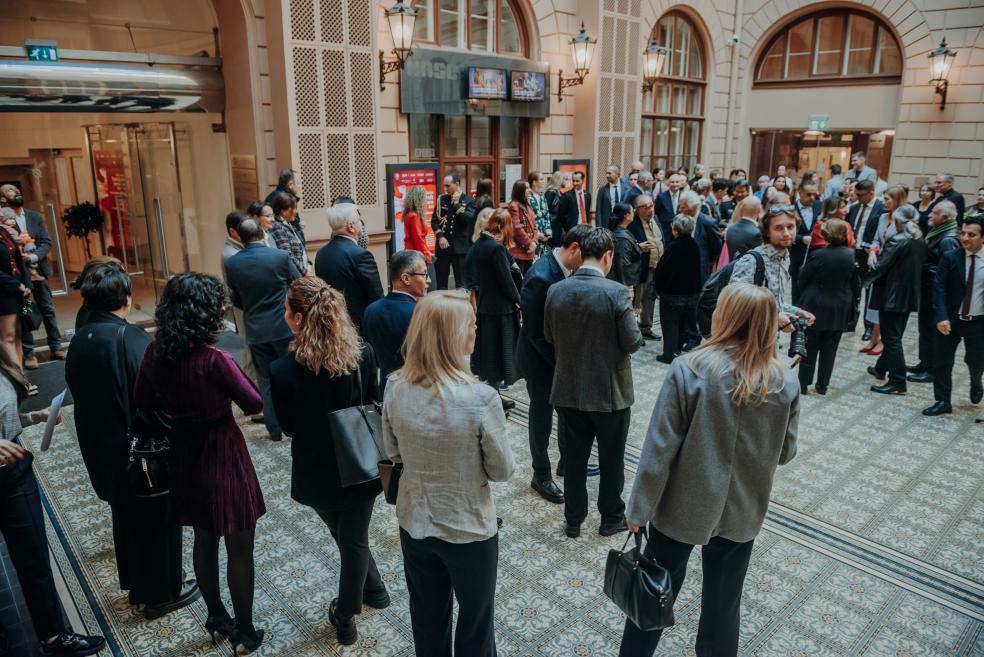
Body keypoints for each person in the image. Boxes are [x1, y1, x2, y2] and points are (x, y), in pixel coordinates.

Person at [619, 283, 798, 657]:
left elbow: (659, 449)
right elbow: (785, 452)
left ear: (724, 316)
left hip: (682, 507)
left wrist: (638, 509)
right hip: (744, 510)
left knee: (653, 591)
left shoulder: (690, 369)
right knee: (723, 604)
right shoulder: (785, 380)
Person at [134, 273, 266, 654]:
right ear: (205, 313)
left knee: (204, 539)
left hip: (184, 452)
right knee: (239, 546)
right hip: (222, 449)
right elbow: (254, 403)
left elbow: (143, 401)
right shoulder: (215, 360)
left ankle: (216, 616)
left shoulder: (154, 352)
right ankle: (244, 632)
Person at [383, 290, 515, 657]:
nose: (477, 329)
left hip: (415, 519)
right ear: (457, 335)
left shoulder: (395, 386)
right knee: (475, 623)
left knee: (427, 618)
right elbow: (502, 470)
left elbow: (392, 452)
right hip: (469, 526)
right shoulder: (481, 398)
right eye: (472, 324)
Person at [64, 264, 198, 620]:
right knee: (157, 520)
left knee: (125, 517)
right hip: (139, 449)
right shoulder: (130, 338)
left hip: (101, 445)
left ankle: (138, 585)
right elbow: (156, 395)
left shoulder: (80, 335)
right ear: (125, 297)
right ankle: (161, 593)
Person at [270, 278, 390, 646]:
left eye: (287, 310)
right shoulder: (363, 355)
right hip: (362, 464)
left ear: (298, 318)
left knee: (348, 538)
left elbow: (288, 427)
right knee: (350, 537)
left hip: (316, 470)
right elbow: (374, 402)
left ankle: (345, 614)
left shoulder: (282, 371)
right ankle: (375, 588)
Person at [0, 349, 107, 657]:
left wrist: (36, 416)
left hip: (14, 473)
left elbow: (6, 415)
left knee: (33, 556)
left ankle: (54, 636)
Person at [545, 228, 643, 538]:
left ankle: (573, 520)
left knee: (574, 459)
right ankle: (610, 517)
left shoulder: (556, 290)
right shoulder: (616, 292)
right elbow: (632, 343)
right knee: (612, 460)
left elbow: (549, 336)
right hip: (610, 391)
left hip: (568, 388)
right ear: (608, 256)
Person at [517, 225, 592, 504]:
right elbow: (536, 333)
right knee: (541, 419)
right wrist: (563, 361)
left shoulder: (563, 269)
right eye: (586, 257)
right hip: (539, 362)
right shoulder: (541, 276)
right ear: (574, 249)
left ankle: (566, 462)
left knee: (566, 411)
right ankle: (541, 474)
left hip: (557, 359)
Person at [225, 218, 301, 441]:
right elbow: (298, 285)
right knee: (293, 377)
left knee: (266, 381)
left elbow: (236, 298)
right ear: (262, 234)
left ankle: (274, 430)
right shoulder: (279, 257)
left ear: (240, 237)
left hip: (256, 330)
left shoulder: (233, 263)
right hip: (283, 326)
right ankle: (296, 425)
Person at [923, 215, 984, 417]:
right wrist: (941, 316)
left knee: (976, 360)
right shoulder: (950, 257)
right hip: (949, 320)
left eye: (971, 234)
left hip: (978, 322)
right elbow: (938, 288)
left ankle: (976, 380)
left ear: (982, 238)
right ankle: (942, 401)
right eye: (963, 233)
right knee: (942, 361)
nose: (965, 238)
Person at [0, 185, 66, 369]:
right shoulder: (2, 222)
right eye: (10, 191)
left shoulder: (34, 216)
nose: (16, 192)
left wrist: (34, 256)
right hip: (19, 279)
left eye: (17, 189)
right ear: (3, 199)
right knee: (25, 313)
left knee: (47, 309)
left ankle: (56, 346)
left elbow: (46, 241)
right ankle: (30, 354)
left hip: (38, 274)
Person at [864, 205, 927, 394]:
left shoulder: (897, 240)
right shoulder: (919, 240)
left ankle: (898, 381)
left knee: (892, 339)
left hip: (891, 296)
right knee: (894, 336)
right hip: (908, 296)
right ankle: (881, 368)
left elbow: (880, 267)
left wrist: (863, 280)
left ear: (898, 222)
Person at [729, 205, 816, 332]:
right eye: (779, 228)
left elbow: (774, 303)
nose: (786, 233)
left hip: (771, 341)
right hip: (748, 343)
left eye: (790, 227)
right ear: (767, 232)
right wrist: (774, 318)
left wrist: (797, 311)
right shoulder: (752, 261)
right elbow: (735, 305)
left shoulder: (785, 258)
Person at [797, 219, 859, 394]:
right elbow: (855, 283)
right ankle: (823, 385)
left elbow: (803, 278)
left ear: (825, 234)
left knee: (810, 345)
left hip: (815, 305)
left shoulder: (818, 255)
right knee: (830, 348)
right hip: (839, 307)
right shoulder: (851, 255)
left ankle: (803, 383)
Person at [908, 201, 961, 384]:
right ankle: (924, 363)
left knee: (932, 331)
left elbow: (947, 271)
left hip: (934, 292)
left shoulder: (948, 239)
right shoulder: (938, 233)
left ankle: (931, 369)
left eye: (934, 213)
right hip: (926, 289)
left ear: (945, 218)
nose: (929, 215)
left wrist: (923, 268)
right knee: (925, 329)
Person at [362, 250, 428, 394]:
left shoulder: (371, 310)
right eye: (424, 275)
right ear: (406, 278)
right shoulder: (419, 313)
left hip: (386, 389)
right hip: (418, 390)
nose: (428, 280)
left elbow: (371, 355)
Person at [470, 209, 521, 391]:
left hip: (485, 306)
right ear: (503, 227)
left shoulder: (479, 244)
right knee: (501, 356)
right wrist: (519, 301)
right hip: (501, 310)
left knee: (489, 355)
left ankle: (495, 395)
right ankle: (495, 397)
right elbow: (506, 282)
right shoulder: (496, 249)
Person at [315, 202, 384, 329]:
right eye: (359, 220)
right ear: (351, 226)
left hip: (331, 323)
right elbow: (376, 296)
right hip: (359, 326)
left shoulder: (320, 254)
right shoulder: (361, 255)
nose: (361, 223)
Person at [652, 214, 702, 363]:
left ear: (676, 230)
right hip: (691, 293)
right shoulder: (694, 244)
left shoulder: (674, 246)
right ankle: (677, 349)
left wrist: (658, 287)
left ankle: (668, 354)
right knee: (682, 323)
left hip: (672, 293)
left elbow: (663, 269)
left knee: (669, 324)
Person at [221, 211, 258, 387]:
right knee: (248, 350)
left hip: (246, 305)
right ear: (233, 231)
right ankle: (249, 390)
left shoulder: (238, 249)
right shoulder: (231, 254)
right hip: (243, 306)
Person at [848, 179, 884, 342]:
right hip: (852, 252)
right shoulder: (854, 207)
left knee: (869, 291)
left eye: (861, 195)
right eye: (857, 194)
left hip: (870, 253)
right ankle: (850, 321)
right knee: (852, 288)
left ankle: (868, 326)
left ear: (871, 192)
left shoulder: (881, 208)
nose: (858, 197)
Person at [431, 174, 474, 289]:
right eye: (444, 186)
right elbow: (434, 221)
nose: (445, 189)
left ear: (457, 184)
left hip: (460, 249)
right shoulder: (442, 199)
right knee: (441, 283)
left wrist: (456, 205)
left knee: (461, 284)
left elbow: (468, 220)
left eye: (448, 186)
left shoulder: (469, 200)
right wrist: (440, 237)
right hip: (443, 248)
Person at [0, 212, 30, 371]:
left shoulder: (4, 232)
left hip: (17, 290)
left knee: (18, 336)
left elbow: (19, 260)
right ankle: (19, 381)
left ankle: (21, 377)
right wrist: (16, 285)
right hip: (4, 293)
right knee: (8, 337)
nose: (1, 213)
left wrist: (26, 283)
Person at [633, 194, 664, 339]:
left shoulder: (655, 219)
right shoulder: (632, 224)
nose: (650, 209)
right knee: (637, 300)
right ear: (637, 209)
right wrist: (638, 247)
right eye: (645, 207)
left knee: (650, 298)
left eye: (651, 205)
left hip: (657, 267)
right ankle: (633, 332)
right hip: (641, 269)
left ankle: (646, 328)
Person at [677, 190, 722, 285]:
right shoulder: (680, 219)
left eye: (683, 207)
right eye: (679, 206)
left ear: (693, 207)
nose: (680, 210)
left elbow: (716, 248)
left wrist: (706, 262)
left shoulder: (708, 223)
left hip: (700, 270)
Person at [790, 182, 821, 303]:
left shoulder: (819, 205)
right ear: (800, 193)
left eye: (815, 194)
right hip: (797, 256)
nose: (812, 197)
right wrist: (801, 239)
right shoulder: (791, 209)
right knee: (797, 290)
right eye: (809, 194)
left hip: (815, 256)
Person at [401, 185, 436, 288]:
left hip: (412, 252)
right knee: (423, 285)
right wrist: (426, 254)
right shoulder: (414, 216)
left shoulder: (409, 214)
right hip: (417, 254)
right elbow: (418, 238)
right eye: (424, 198)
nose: (425, 201)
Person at [268, 190, 308, 274]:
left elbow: (301, 247)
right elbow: (288, 255)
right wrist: (305, 272)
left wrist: (308, 263)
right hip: (295, 276)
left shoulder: (289, 224)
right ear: (283, 210)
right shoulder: (277, 227)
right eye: (293, 208)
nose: (296, 211)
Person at [607, 203, 642, 296]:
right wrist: (627, 288)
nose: (634, 212)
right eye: (632, 211)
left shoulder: (622, 231)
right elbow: (622, 264)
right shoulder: (622, 238)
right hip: (622, 284)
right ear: (626, 215)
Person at [507, 180, 538, 274]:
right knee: (519, 282)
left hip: (530, 251)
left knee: (528, 281)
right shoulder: (513, 206)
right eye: (527, 188)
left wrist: (535, 242)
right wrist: (529, 243)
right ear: (520, 191)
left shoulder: (528, 205)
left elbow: (534, 226)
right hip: (518, 252)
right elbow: (516, 228)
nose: (530, 190)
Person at [654, 173, 685, 246]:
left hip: (680, 231)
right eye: (672, 182)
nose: (675, 184)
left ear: (681, 184)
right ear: (668, 183)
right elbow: (656, 214)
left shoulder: (684, 196)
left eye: (677, 182)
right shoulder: (661, 197)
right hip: (665, 232)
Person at [557, 171, 592, 235]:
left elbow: (587, 211)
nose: (575, 183)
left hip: (585, 227)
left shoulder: (588, 195)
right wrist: (567, 229)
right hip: (572, 229)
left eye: (577, 181)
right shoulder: (566, 196)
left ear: (582, 180)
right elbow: (561, 215)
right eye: (573, 181)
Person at [596, 165, 629, 230]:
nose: (607, 176)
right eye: (606, 173)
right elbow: (599, 210)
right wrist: (599, 227)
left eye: (609, 173)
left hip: (622, 224)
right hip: (607, 224)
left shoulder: (626, 189)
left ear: (618, 175)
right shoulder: (602, 189)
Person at [528, 171, 552, 256]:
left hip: (544, 237)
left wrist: (548, 233)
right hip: (532, 237)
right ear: (534, 182)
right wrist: (537, 234)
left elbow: (547, 215)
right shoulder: (528, 197)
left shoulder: (542, 196)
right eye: (541, 179)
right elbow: (527, 219)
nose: (543, 181)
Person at [544, 171, 566, 246]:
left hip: (558, 225)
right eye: (564, 179)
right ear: (559, 180)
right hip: (553, 225)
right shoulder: (551, 192)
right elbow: (545, 209)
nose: (565, 181)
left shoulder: (559, 193)